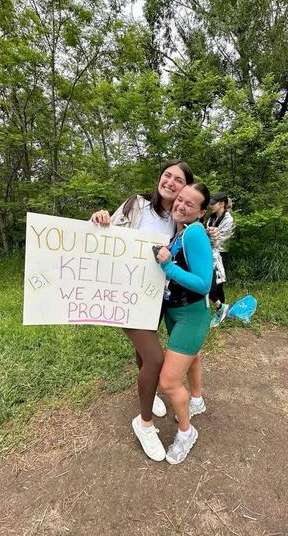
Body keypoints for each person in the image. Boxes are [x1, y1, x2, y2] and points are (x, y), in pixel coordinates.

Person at [91, 160, 194, 462]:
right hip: (126, 296)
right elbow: (107, 232)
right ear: (159, 178)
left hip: (155, 297)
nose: (170, 182)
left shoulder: (179, 218)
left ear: (185, 187)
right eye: (167, 175)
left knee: (143, 353)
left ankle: (147, 391)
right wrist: (99, 218)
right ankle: (144, 424)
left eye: (178, 179)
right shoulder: (137, 204)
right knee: (155, 358)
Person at [156, 183, 213, 464]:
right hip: (174, 311)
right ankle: (197, 400)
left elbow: (203, 284)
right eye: (180, 199)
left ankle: (186, 432)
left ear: (201, 212)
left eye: (190, 204)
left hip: (191, 315)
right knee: (192, 358)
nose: (181, 205)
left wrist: (168, 267)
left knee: (168, 382)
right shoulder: (177, 231)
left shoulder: (194, 233)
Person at [206, 192, 235, 327]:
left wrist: (209, 234)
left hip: (221, 255)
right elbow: (209, 234)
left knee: (218, 286)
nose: (211, 206)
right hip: (210, 253)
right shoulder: (211, 218)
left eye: (213, 203)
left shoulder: (228, 220)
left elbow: (221, 239)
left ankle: (221, 311)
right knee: (209, 283)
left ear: (222, 204)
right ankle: (221, 309)